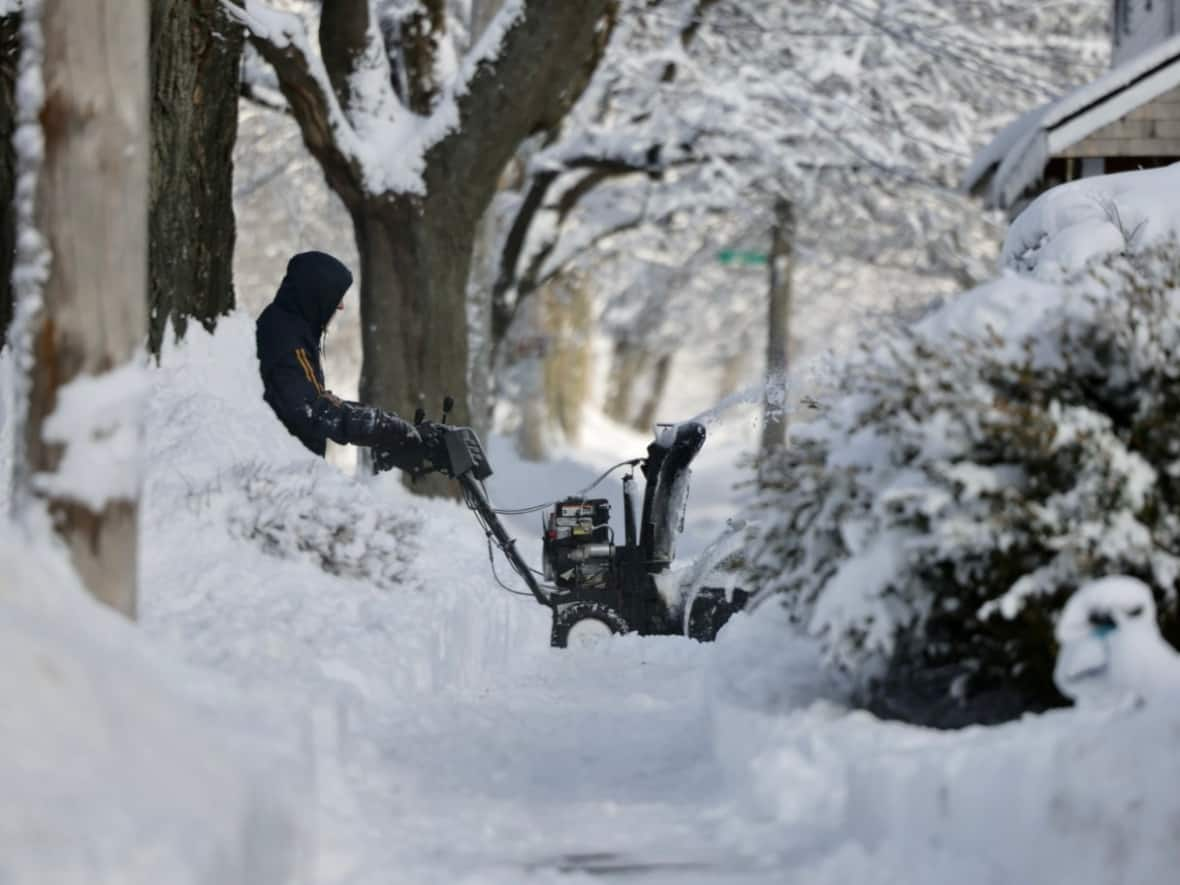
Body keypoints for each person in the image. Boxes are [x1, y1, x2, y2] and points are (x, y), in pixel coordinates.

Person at [255, 251, 422, 462]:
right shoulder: (285, 337)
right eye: (335, 295)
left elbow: (318, 401)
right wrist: (381, 427)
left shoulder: (291, 328)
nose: (340, 306)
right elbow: (312, 410)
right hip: (280, 474)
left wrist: (387, 422)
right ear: (316, 293)